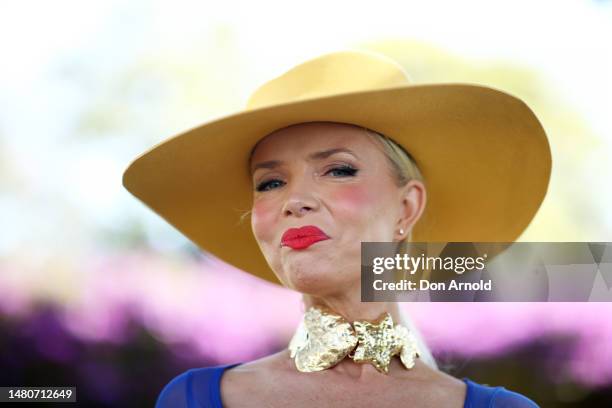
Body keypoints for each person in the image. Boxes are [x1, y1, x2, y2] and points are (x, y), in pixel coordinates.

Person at [123, 50, 550, 407]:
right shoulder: (193, 399)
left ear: (406, 207)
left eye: (338, 170)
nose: (295, 201)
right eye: (270, 183)